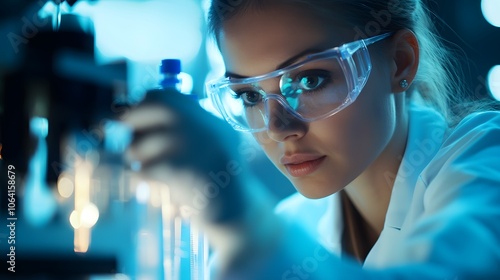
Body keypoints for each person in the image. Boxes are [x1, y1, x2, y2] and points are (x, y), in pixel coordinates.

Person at [123, 0, 500, 279]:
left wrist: (247, 229)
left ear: (400, 61)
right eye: (250, 96)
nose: (277, 127)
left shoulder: (487, 158)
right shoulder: (295, 222)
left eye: (309, 80)